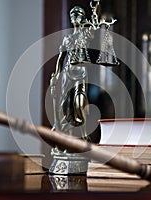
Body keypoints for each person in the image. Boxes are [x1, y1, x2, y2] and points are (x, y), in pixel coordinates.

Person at [50, 6, 93, 146]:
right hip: (67, 73)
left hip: (80, 74)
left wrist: (96, 8)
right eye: (72, 14)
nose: (75, 16)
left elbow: (94, 25)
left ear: (83, 17)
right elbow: (61, 59)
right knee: (65, 106)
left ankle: (84, 135)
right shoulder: (67, 39)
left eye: (78, 14)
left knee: (79, 104)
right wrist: (56, 75)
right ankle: (64, 139)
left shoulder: (85, 35)